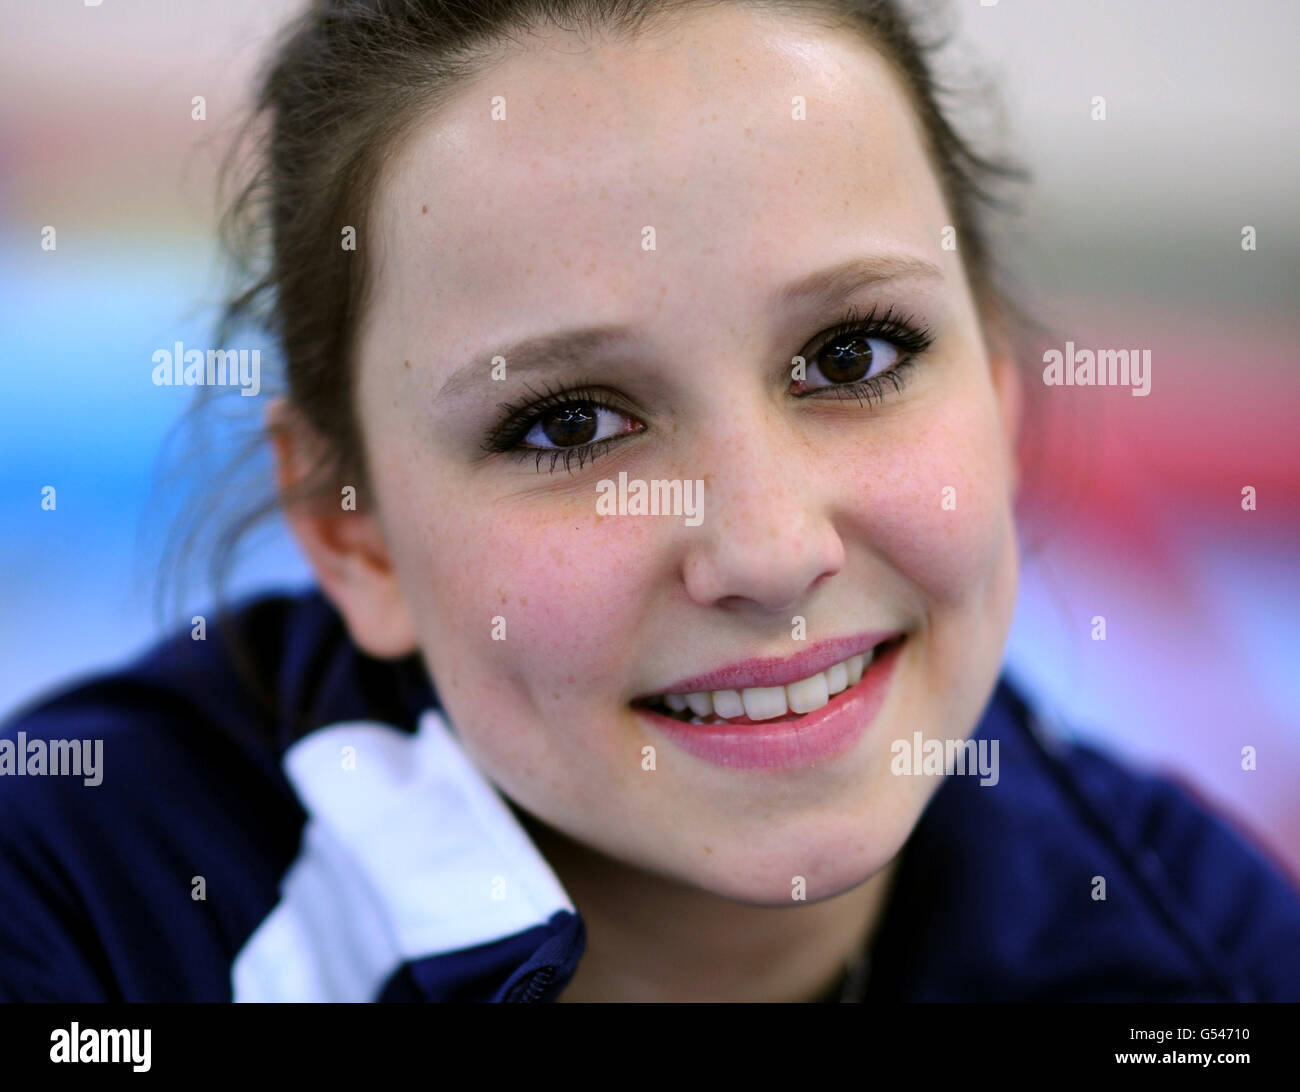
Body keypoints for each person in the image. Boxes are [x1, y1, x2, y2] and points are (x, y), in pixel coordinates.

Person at [2, 0, 1297, 1003]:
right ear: (357, 536)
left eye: (854, 355)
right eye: (568, 423)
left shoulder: (1206, 962)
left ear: (1001, 387)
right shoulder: (76, 923)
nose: (771, 549)